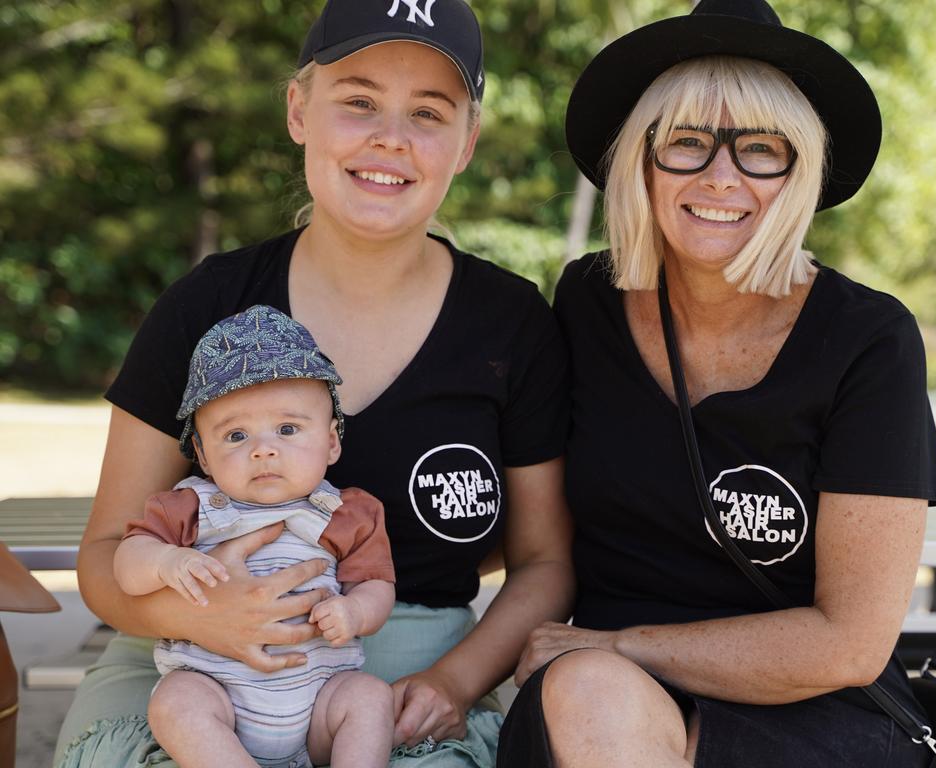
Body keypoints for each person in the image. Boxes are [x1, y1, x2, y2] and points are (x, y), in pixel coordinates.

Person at [54, 1, 575, 766]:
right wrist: (205, 618)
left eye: (428, 112)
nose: (389, 138)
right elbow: (103, 556)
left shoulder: (511, 323)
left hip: (390, 686)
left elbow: (544, 563)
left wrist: (454, 683)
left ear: (467, 142)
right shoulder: (209, 304)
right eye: (358, 101)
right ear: (299, 110)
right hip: (186, 674)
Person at [497, 1, 936, 766]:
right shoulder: (586, 302)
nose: (720, 176)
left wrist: (621, 643)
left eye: (759, 149)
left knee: (592, 680)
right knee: (590, 694)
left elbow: (851, 644)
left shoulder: (869, 339)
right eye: (687, 142)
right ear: (641, 159)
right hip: (598, 706)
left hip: (809, 710)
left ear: (798, 168)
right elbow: (525, 517)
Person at [113, 305, 396, 768]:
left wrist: (355, 610)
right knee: (175, 703)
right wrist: (165, 562)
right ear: (202, 456)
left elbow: (378, 586)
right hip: (217, 691)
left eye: (288, 429)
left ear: (330, 442)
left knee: (369, 698)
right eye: (236, 435)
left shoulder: (348, 513)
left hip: (317, 698)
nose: (263, 449)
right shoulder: (188, 507)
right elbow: (127, 563)